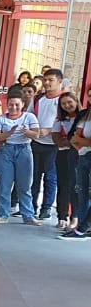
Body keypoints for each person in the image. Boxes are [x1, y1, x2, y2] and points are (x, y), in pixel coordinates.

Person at [0, 87, 47, 225]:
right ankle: (3, 214)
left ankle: (28, 215)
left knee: (25, 185)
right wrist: (9, 133)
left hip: (24, 150)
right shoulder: (1, 119)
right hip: (5, 150)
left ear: (22, 104)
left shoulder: (29, 117)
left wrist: (26, 132)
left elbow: (36, 134)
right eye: (11, 104)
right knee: (4, 184)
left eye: (17, 104)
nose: (14, 108)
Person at [30, 68, 66, 222]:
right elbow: (29, 116)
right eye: (45, 80)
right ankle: (31, 207)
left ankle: (46, 208)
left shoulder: (64, 100)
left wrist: (50, 131)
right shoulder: (38, 99)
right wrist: (35, 130)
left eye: (51, 80)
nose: (47, 83)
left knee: (51, 177)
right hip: (36, 142)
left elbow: (69, 121)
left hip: (54, 145)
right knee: (33, 176)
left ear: (60, 81)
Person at [59, 95, 91, 238]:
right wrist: (81, 144)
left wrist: (81, 141)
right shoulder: (84, 114)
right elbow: (72, 136)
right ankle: (81, 226)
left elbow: (80, 138)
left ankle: (84, 228)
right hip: (81, 155)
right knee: (81, 191)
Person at [54, 93, 83, 231]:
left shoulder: (84, 117)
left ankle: (76, 217)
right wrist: (71, 141)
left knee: (78, 186)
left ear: (76, 101)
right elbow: (56, 138)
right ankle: (62, 216)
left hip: (81, 154)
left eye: (69, 102)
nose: (67, 105)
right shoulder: (60, 119)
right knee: (64, 185)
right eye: (63, 103)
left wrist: (72, 141)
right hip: (63, 154)